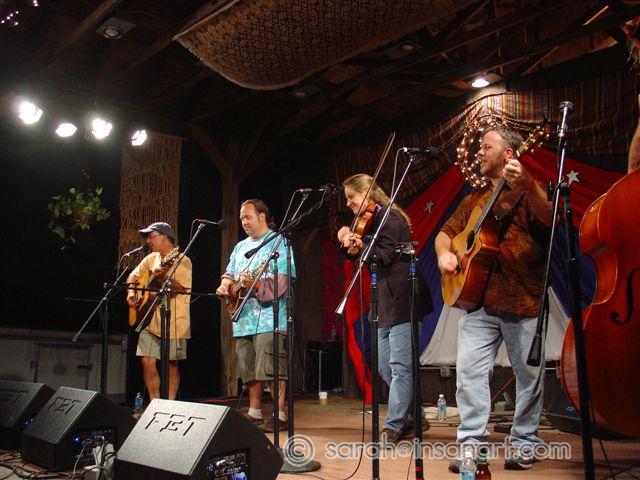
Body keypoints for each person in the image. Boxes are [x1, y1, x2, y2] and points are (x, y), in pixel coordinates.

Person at [435, 125, 552, 471]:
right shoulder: (473, 199)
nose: (480, 153)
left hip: (523, 299)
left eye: (487, 147)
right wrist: (444, 254)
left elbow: (551, 218)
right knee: (469, 375)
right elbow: (444, 234)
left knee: (529, 377)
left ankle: (525, 442)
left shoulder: (530, 191)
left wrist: (529, 185)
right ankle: (471, 446)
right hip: (478, 302)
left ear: (509, 154)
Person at [337, 174, 425, 445]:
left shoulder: (390, 218)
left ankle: (393, 425)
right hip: (385, 302)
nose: (348, 204)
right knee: (385, 364)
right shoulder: (371, 222)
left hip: (404, 298)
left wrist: (362, 244)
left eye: (351, 197)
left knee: (400, 366)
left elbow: (385, 256)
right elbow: (356, 255)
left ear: (367, 193)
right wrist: (347, 241)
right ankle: (415, 415)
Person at [216, 199, 293, 432]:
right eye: (241, 219)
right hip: (242, 317)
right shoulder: (240, 247)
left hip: (269, 318)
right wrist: (225, 285)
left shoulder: (279, 242)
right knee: (248, 369)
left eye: (247, 217)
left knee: (270, 367)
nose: (244, 222)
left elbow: (283, 281)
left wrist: (256, 284)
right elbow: (229, 273)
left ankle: (280, 414)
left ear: (262, 216)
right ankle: (255, 411)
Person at [126, 222, 192, 401]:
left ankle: (169, 404)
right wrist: (131, 293)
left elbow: (181, 289)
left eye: (151, 237)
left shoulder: (182, 260)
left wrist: (163, 276)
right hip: (149, 319)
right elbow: (133, 276)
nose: (148, 241)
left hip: (174, 320)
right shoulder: (151, 258)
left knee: (171, 364)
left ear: (165, 237)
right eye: (147, 238)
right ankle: (154, 403)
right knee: (146, 361)